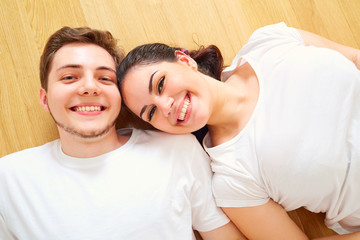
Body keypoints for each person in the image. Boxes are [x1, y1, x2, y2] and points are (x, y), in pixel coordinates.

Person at [117, 22, 360, 239]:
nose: (165, 106)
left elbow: (355, 57)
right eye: (150, 113)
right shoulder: (233, 180)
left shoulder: (269, 41)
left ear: (185, 60)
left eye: (160, 84)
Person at [0, 26, 245, 240]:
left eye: (104, 78)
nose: (88, 87)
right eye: (69, 77)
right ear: (45, 99)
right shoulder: (8, 181)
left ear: (120, 97)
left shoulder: (177, 150)